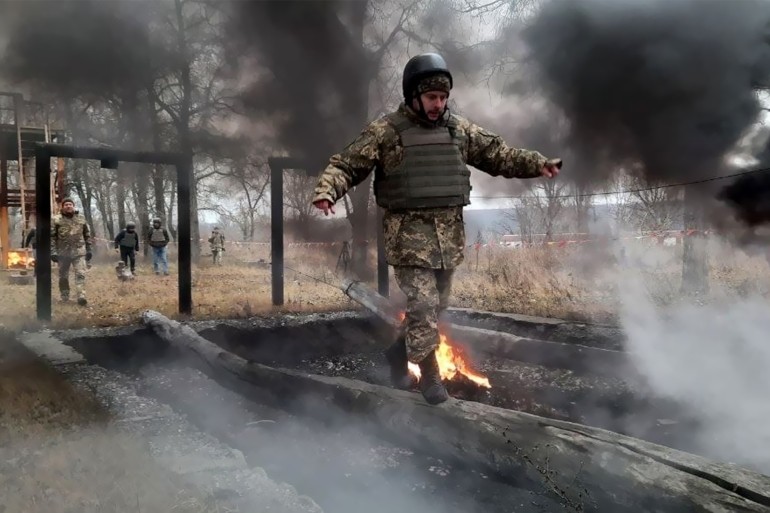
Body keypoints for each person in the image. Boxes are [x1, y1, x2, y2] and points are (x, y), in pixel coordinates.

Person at [311, 53, 562, 405]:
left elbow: (499, 154)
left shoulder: (458, 130)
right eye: (432, 98)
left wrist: (538, 164)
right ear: (414, 95)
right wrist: (327, 191)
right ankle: (430, 376)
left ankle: (397, 352)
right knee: (424, 304)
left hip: (448, 241)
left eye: (443, 98)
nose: (438, 104)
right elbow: (346, 164)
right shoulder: (387, 132)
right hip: (409, 239)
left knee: (434, 308)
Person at [51, 197, 92, 305]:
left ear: (73, 206)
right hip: (63, 253)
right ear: (62, 207)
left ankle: (81, 296)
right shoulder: (56, 219)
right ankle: (65, 296)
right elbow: (52, 237)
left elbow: (87, 235)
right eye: (66, 204)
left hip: (79, 252)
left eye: (70, 204)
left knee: (80, 274)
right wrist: (53, 252)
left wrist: (89, 249)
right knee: (63, 276)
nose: (68, 206)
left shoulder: (81, 218)